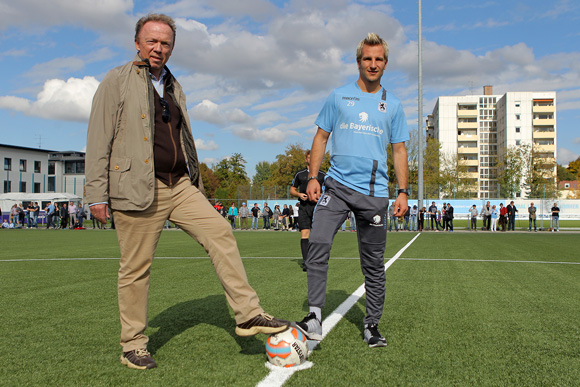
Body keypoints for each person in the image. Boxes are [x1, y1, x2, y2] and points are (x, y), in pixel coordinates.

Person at [85, 13, 287, 370]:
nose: (157, 48)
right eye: (151, 41)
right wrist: (96, 194)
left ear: (172, 48)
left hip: (180, 185)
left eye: (165, 43)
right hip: (136, 187)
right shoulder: (116, 80)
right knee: (136, 268)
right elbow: (98, 138)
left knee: (221, 231)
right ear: (137, 43)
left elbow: (184, 139)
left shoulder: (175, 86)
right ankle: (133, 344)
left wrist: (198, 184)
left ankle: (248, 315)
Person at [293, 33, 409, 348]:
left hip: (373, 195)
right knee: (317, 241)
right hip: (337, 187)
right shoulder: (338, 96)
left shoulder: (393, 104)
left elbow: (399, 151)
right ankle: (314, 315)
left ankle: (371, 324)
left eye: (379, 59)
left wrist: (403, 191)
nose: (373, 64)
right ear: (358, 62)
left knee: (372, 262)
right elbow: (320, 137)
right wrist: (314, 176)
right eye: (367, 59)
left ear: (385, 63)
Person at [290, 150, 326, 269]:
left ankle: (316, 260)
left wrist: (320, 196)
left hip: (317, 207)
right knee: (305, 233)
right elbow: (292, 190)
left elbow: (328, 191)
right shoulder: (300, 174)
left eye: (314, 157)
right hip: (304, 207)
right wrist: (299, 195)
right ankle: (306, 262)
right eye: (310, 157)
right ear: (306, 159)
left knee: (317, 235)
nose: (312, 159)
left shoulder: (322, 175)